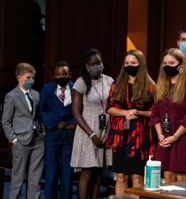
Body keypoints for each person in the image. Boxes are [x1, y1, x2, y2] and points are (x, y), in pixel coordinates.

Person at [105, 50, 156, 196]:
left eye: (133, 63)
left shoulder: (150, 85)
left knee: (137, 176)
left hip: (140, 136)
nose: (129, 65)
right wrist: (125, 113)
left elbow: (155, 112)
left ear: (140, 64)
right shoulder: (118, 83)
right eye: (127, 63)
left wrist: (138, 113)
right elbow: (109, 108)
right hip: (121, 135)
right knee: (120, 176)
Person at [151, 48, 186, 183]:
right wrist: (161, 135)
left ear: (181, 66)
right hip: (164, 136)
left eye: (171, 63)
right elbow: (155, 113)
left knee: (181, 177)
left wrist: (174, 137)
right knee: (167, 175)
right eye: (165, 63)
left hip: (182, 137)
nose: (167, 66)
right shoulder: (161, 85)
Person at [70, 48, 114, 199]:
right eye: (93, 63)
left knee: (99, 171)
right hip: (87, 130)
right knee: (87, 171)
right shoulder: (81, 82)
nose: (97, 65)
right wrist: (92, 134)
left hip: (105, 129)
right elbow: (75, 112)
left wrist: (109, 133)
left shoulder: (109, 81)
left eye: (99, 62)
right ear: (87, 66)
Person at [2, 63, 45, 199]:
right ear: (19, 77)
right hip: (21, 140)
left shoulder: (36, 94)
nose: (31, 80)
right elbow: (5, 121)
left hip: (38, 139)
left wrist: (43, 133)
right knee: (18, 177)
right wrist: (13, 139)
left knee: (35, 177)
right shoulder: (11, 96)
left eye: (32, 78)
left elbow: (39, 116)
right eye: (28, 77)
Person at [39, 60, 76, 199]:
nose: (62, 76)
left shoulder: (76, 88)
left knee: (67, 171)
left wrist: (75, 123)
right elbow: (41, 111)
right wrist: (54, 123)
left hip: (70, 135)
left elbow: (80, 110)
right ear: (54, 76)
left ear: (70, 74)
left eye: (65, 74)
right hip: (53, 134)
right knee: (51, 171)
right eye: (59, 74)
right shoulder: (47, 88)